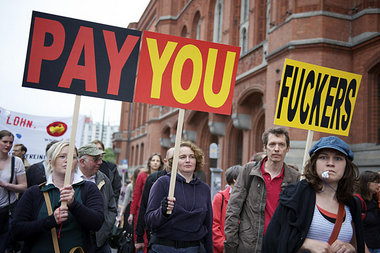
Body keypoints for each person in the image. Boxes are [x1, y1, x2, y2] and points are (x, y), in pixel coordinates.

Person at [262, 136, 366, 253]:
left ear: (346, 166)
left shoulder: (352, 204)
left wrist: (351, 249)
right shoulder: (295, 196)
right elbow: (272, 241)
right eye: (323, 157)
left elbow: (359, 245)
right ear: (314, 163)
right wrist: (304, 243)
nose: (330, 163)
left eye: (338, 158)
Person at [11, 141, 104, 252]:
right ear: (51, 162)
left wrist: (74, 205)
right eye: (62, 156)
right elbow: (16, 231)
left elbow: (97, 223)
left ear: (77, 162)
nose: (67, 160)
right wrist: (51, 221)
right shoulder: (34, 192)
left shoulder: (89, 189)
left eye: (73, 157)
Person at [224, 127, 300, 252]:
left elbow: (296, 216)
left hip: (279, 246)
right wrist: (231, 246)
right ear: (265, 147)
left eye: (281, 145)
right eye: (272, 144)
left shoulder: (294, 177)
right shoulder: (249, 171)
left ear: (287, 149)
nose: (276, 149)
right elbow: (233, 211)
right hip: (249, 246)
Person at [145, 141, 213, 253]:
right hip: (164, 248)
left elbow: (208, 225)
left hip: (194, 248)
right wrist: (162, 211)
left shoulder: (204, 189)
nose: (188, 160)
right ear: (175, 161)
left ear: (197, 161)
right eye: (182, 157)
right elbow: (149, 220)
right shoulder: (162, 183)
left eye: (192, 157)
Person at [78, 143, 117, 253]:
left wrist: (104, 229)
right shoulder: (70, 179)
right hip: (77, 240)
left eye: (100, 159)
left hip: (99, 241)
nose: (100, 162)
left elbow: (112, 207)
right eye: (95, 159)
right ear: (82, 162)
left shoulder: (104, 179)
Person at [135, 148, 174, 252]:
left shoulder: (186, 180)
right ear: (166, 161)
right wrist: (139, 237)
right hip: (155, 234)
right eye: (172, 159)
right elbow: (143, 206)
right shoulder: (153, 178)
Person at [128, 153, 164, 252]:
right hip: (141, 211)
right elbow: (136, 194)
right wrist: (131, 213)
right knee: (139, 239)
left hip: (155, 212)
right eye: (153, 160)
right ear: (149, 163)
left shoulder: (163, 176)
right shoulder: (142, 175)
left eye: (157, 161)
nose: (155, 163)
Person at [0, 130, 27, 252]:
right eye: (4, 141)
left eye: (10, 142)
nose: (8, 145)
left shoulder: (16, 162)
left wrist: (5, 185)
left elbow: (23, 187)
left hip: (6, 210)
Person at [212, 165, 242, 253]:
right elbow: (214, 225)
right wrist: (224, 246)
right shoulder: (220, 198)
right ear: (235, 180)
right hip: (223, 249)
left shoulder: (246, 198)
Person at [354, 170, 380, 252]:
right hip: (366, 247)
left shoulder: (376, 200)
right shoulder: (357, 201)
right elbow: (354, 229)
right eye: (376, 182)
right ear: (366, 183)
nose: (378, 185)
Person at [92, 140, 122, 204]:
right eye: (95, 148)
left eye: (100, 149)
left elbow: (116, 187)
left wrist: (111, 204)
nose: (98, 151)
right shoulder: (86, 166)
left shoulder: (111, 168)